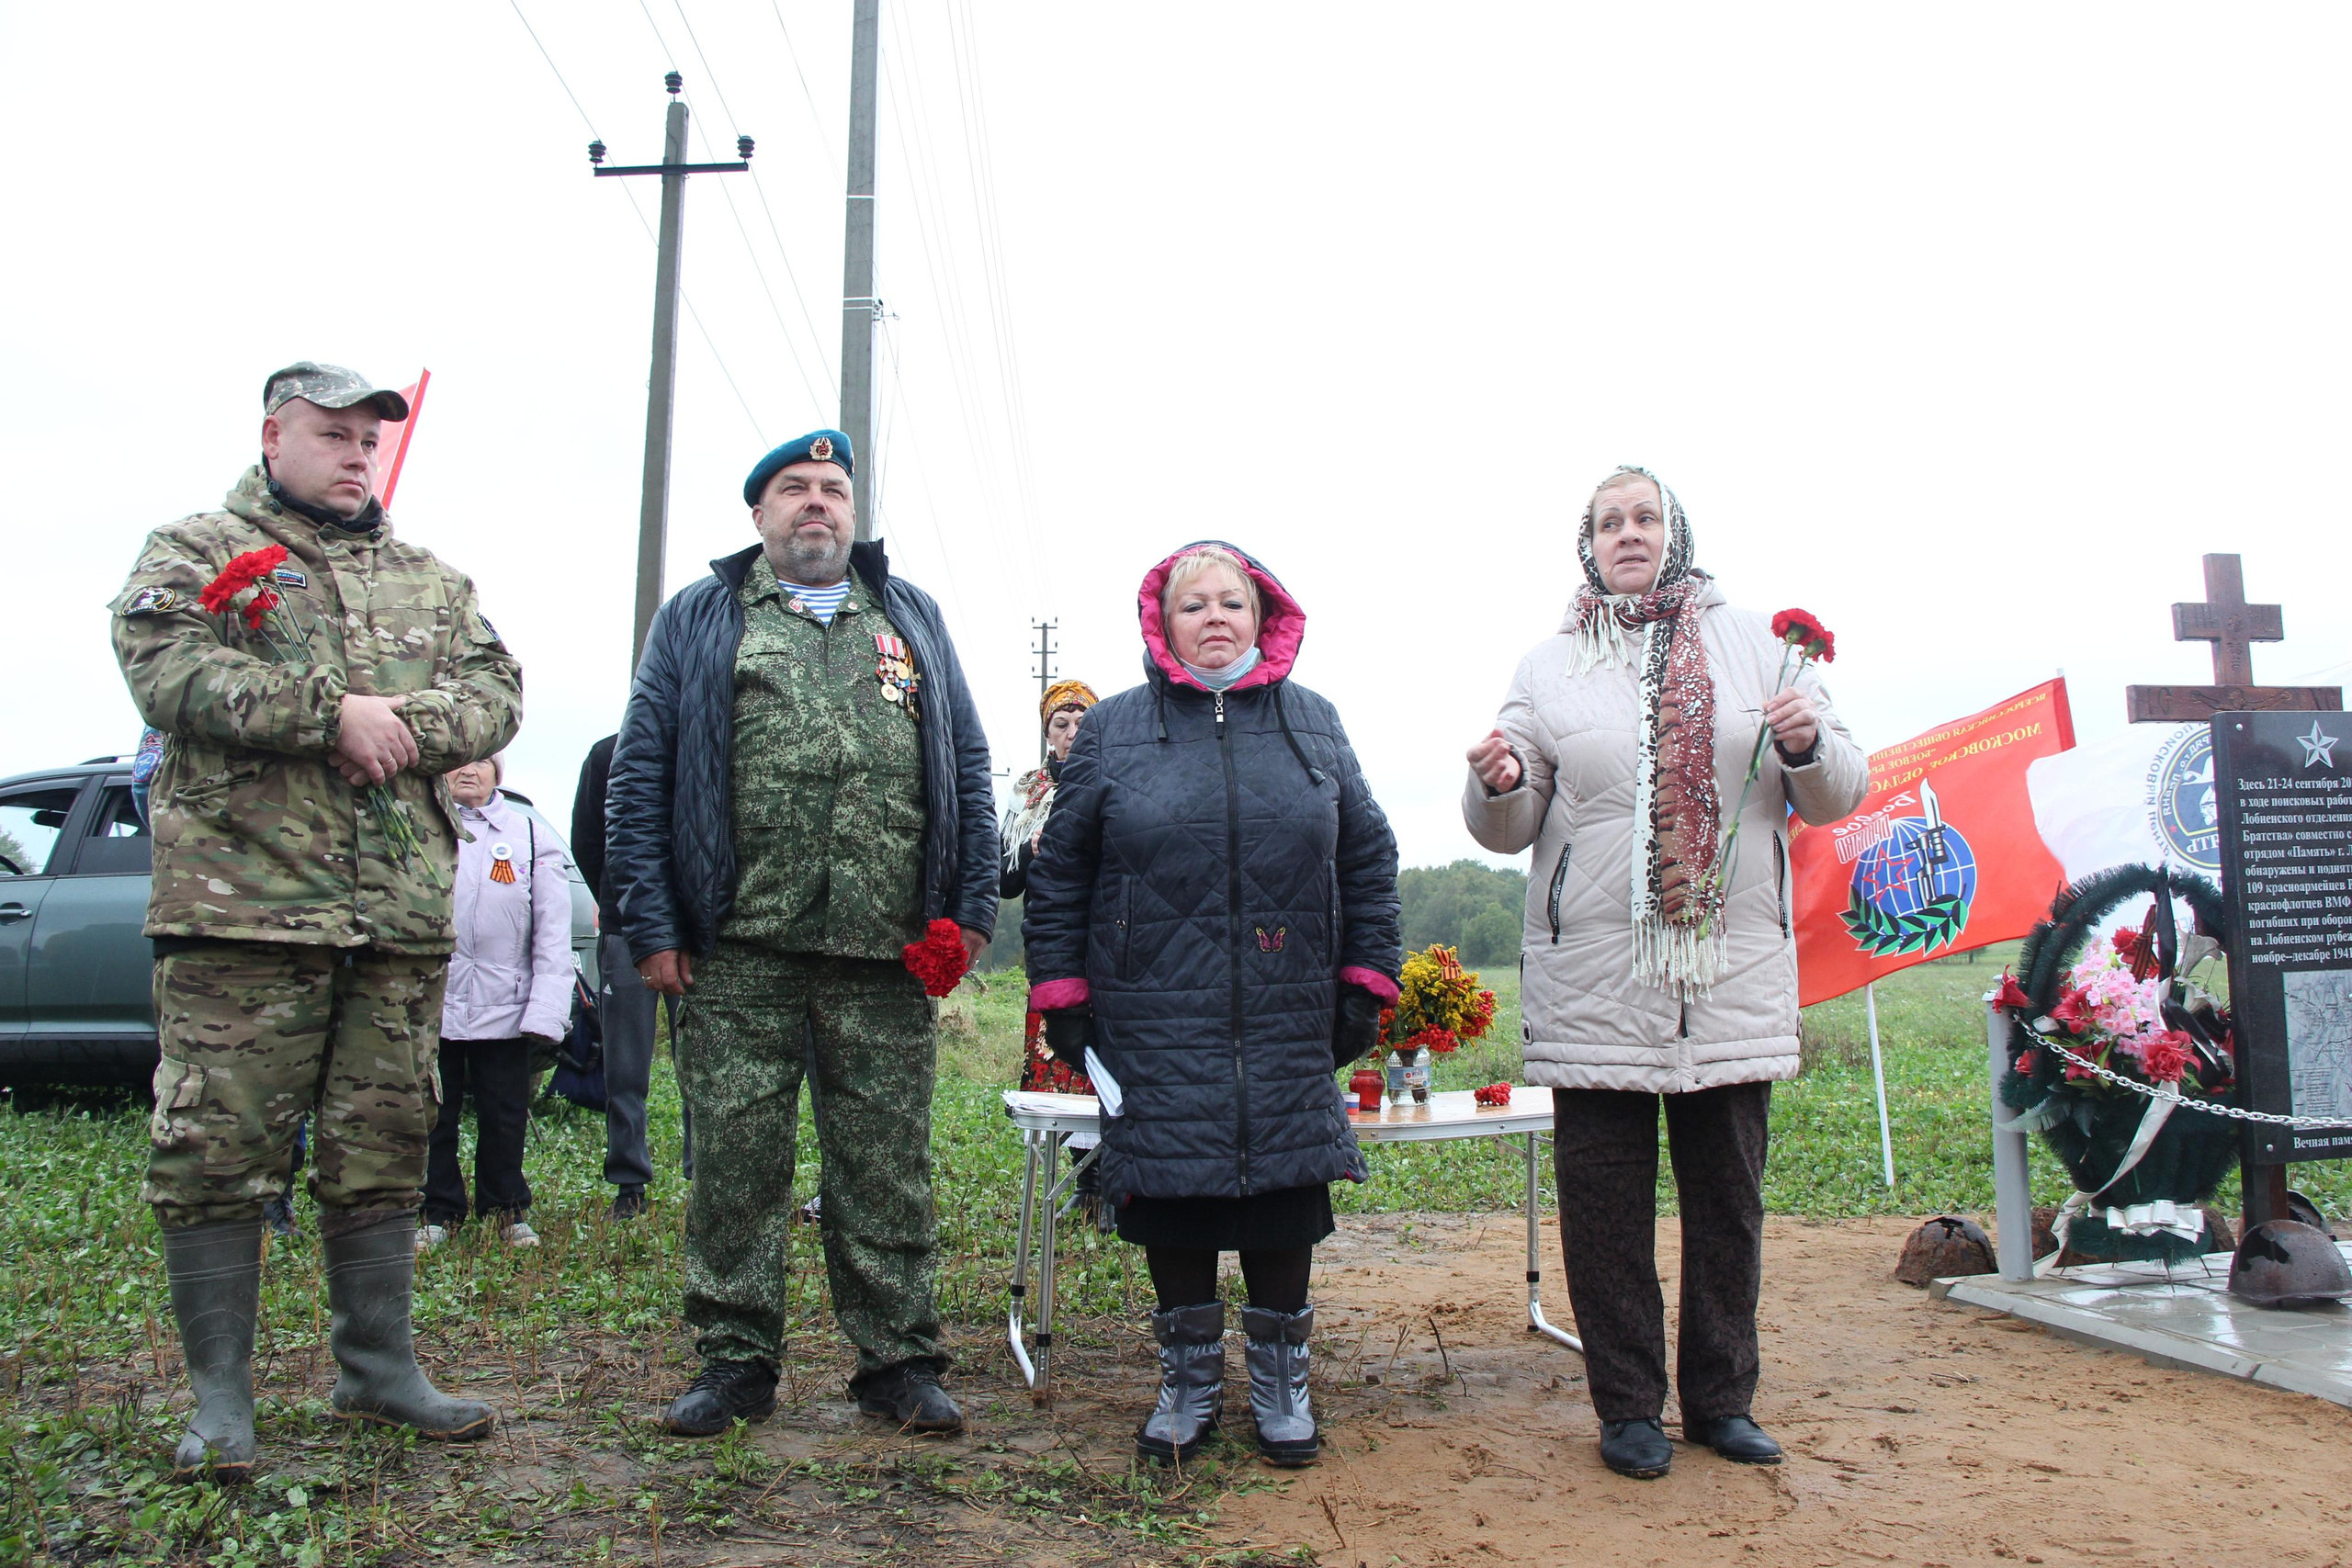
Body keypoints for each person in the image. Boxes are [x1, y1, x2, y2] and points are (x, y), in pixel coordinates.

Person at [109, 361, 523, 1481]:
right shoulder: (195, 550)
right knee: (216, 1150)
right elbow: (165, 670)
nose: (355, 453)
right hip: (244, 912)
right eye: (333, 434)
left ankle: (375, 1367)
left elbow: (496, 691)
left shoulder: (431, 580)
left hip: (392, 919)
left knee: (385, 1145)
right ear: (274, 435)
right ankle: (221, 1401)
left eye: (368, 439)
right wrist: (324, 716)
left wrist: (401, 723)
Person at [1462, 466, 1866, 1481]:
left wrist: (1811, 744)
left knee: (1727, 1203)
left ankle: (1723, 1400)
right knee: (1604, 1210)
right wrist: (1495, 782)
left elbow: (1836, 791)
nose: (1627, 534)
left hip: (1726, 979)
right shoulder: (1547, 665)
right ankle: (1629, 1407)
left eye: (1645, 518)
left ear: (1675, 532)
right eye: (1609, 522)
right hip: (1595, 981)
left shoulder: (1761, 647)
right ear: (1585, 543)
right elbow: (1505, 825)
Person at [605, 428, 996, 1438]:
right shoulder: (700, 619)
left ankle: (898, 1364)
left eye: (832, 489)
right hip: (738, 946)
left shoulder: (909, 616)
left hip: (884, 950)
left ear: (853, 512)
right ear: (759, 514)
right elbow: (640, 775)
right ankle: (735, 1365)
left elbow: (967, 762)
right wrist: (652, 922)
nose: (815, 503)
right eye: (794, 489)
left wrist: (973, 912)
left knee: (885, 1164)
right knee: (735, 1166)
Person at [1022, 542, 1401, 1467]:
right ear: (1163, 623)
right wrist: (1063, 997)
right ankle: (1186, 1384)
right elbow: (1059, 875)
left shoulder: (1312, 724)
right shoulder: (1113, 730)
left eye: (1233, 601)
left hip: (1287, 1009)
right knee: (1173, 1193)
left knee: (1282, 1196)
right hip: (1155, 1012)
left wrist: (1364, 981)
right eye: (1194, 605)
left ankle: (1280, 1389)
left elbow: (1367, 857)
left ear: (1263, 616)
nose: (1215, 618)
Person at [421, 755, 571, 1250]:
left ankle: (506, 1208)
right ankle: (436, 1211)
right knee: (434, 1113)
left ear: (498, 773)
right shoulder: (419, 826)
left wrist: (547, 1009)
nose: (470, 769)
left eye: (483, 760)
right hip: (432, 1002)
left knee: (504, 1111)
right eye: (459, 760)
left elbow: (552, 935)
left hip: (506, 1006)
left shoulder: (529, 836)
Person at [573, 731, 665, 1213]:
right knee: (626, 1065)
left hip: (699, 932)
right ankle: (629, 1183)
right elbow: (586, 841)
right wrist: (618, 901)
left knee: (706, 1065)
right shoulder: (608, 752)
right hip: (625, 929)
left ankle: (703, 1174)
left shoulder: (709, 742)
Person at [1002, 680, 1099, 1097]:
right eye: (1061, 724)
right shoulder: (1029, 792)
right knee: (1057, 1061)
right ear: (1048, 733)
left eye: (1082, 722)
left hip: (1107, 944)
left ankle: (1097, 1161)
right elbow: (1004, 881)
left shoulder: (1117, 782)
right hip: (1052, 948)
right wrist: (1032, 847)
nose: (1073, 733)